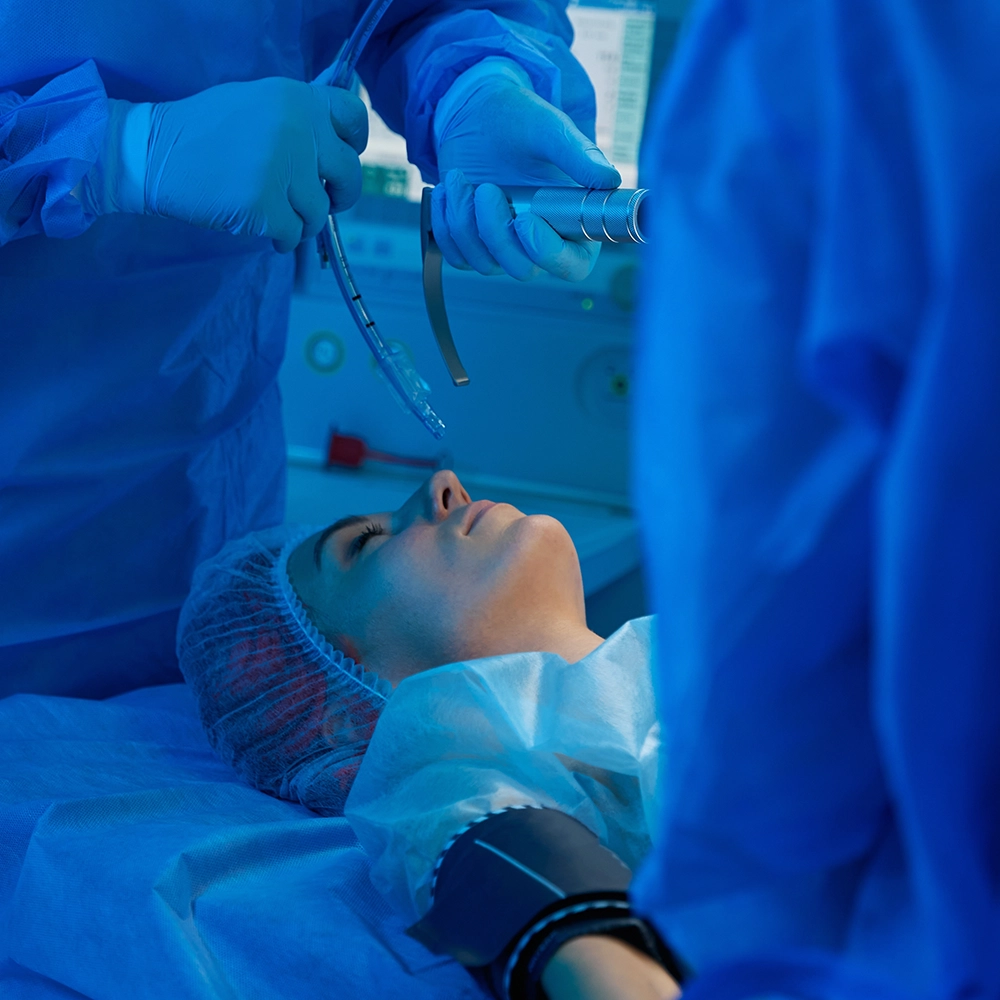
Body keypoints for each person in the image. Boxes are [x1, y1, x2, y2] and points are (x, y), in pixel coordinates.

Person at [0, 0, 621, 700]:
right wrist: (113, 151)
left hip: (201, 488)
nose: (443, 489)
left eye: (365, 539)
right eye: (362, 541)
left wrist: (476, 79)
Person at [629, 1, 1000, 998]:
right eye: (357, 546)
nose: (435, 490)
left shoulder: (822, 42)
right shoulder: (452, 777)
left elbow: (765, 550)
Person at [177, 469, 683, 1000]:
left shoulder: (707, 660)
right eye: (368, 542)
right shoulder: (456, 788)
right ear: (347, 707)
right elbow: (530, 877)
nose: (444, 483)